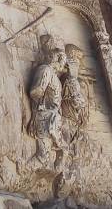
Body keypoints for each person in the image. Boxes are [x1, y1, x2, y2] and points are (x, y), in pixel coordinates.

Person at [28, 34, 67, 170]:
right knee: (43, 156)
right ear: (55, 59)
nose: (63, 65)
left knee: (58, 149)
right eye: (62, 61)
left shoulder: (53, 75)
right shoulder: (46, 70)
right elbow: (36, 91)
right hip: (44, 116)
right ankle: (24, 169)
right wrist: (43, 106)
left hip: (52, 117)